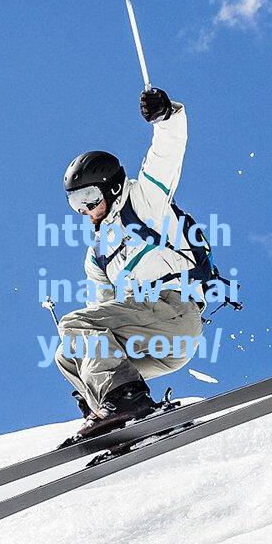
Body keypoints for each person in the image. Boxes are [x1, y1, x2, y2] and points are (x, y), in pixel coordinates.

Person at [55, 86, 206, 439]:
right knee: (67, 352)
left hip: (174, 312)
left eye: (89, 197)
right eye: (76, 203)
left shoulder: (145, 202)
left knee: (74, 323)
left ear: (110, 187)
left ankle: (126, 399)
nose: (85, 210)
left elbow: (167, 154)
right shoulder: (98, 255)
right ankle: (111, 413)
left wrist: (166, 117)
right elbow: (104, 314)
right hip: (154, 345)